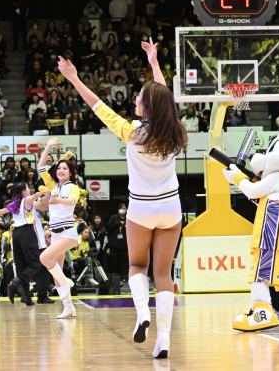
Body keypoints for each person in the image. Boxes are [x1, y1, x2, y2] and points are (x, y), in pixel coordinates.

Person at [57, 37, 188, 359]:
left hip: (141, 208)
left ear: (146, 106)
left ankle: (143, 312)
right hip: (171, 208)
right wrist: (154, 61)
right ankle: (165, 338)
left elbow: (96, 105)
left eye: (140, 97)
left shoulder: (132, 132)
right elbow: (165, 98)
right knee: (164, 275)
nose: (135, 100)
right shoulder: (174, 130)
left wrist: (73, 77)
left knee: (136, 266)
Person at [0, 182, 51, 306]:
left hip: (16, 233)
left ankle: (26, 296)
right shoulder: (27, 199)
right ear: (23, 191)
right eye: (28, 188)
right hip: (26, 232)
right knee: (35, 264)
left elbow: (1, 211)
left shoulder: (15, 203)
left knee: (22, 265)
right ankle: (16, 283)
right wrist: (45, 190)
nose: (29, 190)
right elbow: (35, 197)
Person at [37, 139, 81, 318]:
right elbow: (40, 166)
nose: (61, 170)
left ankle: (65, 281)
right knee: (55, 274)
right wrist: (48, 147)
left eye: (65, 168)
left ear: (70, 173)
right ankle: (68, 307)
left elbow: (72, 202)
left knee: (44, 257)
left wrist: (57, 201)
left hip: (68, 232)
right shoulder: (52, 186)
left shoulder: (73, 187)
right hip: (55, 233)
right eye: (59, 168)